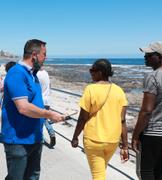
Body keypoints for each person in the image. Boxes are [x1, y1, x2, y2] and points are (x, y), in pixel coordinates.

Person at [1, 39, 65, 180]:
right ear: (34, 55)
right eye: (44, 54)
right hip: (18, 140)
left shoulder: (33, 75)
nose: (46, 58)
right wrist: (49, 114)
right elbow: (23, 108)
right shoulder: (17, 73)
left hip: (35, 138)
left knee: (33, 177)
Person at [71, 59, 129, 180]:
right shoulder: (119, 91)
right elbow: (122, 120)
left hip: (94, 139)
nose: (91, 73)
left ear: (100, 72)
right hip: (113, 140)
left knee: (98, 175)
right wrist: (125, 145)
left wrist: (75, 136)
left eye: (93, 70)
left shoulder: (90, 89)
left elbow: (82, 118)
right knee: (101, 170)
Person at [131, 41, 162, 180]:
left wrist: (135, 136)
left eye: (149, 54)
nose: (145, 57)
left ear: (161, 57)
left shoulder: (152, 77)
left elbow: (146, 111)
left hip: (154, 134)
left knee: (146, 173)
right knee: (160, 173)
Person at [37, 67, 56, 147]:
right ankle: (51, 133)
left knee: (39, 120)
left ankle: (41, 139)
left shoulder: (36, 74)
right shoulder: (46, 72)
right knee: (45, 118)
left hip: (40, 100)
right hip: (47, 100)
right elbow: (50, 85)